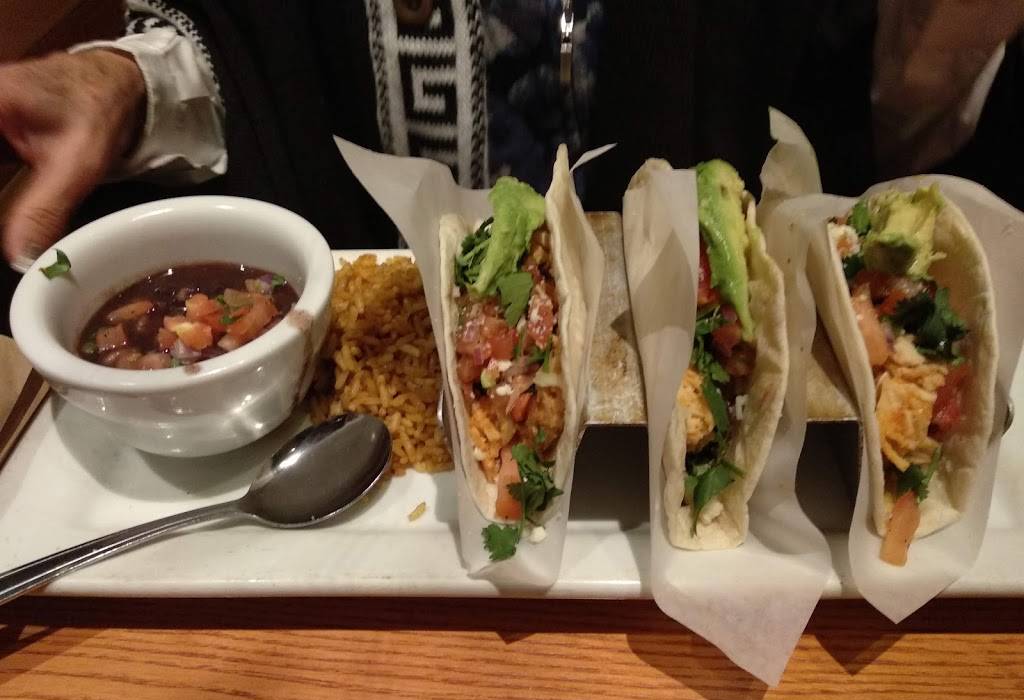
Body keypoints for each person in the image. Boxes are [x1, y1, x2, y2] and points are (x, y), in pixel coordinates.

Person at [0, 1, 1019, 280]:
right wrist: (131, 82)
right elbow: (260, 43)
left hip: (700, 293)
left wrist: (933, 52)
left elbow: (861, 80)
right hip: (360, 351)